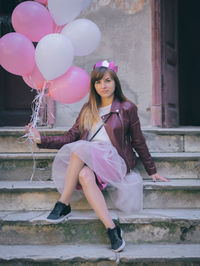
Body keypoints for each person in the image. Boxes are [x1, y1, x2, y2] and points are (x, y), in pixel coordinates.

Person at [25, 60, 168, 252]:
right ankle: (112, 229)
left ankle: (63, 203)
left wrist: (152, 170)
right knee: (84, 174)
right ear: (94, 85)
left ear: (115, 82)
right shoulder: (87, 109)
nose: (103, 86)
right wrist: (41, 138)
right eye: (98, 82)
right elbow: (69, 137)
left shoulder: (127, 108)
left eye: (108, 80)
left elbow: (138, 140)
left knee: (81, 148)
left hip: (116, 161)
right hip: (90, 159)